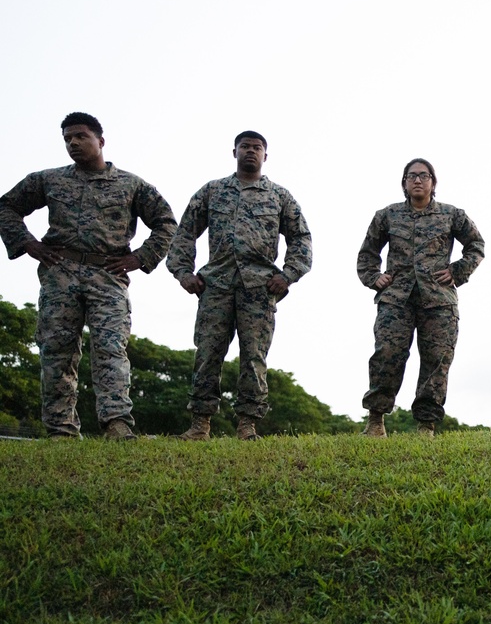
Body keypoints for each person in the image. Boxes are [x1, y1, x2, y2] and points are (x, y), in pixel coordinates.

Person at [0, 112, 177, 440]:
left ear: (101, 141)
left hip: (107, 275)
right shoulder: (49, 180)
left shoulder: (131, 184)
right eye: (67, 138)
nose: (73, 143)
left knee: (110, 348)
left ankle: (116, 424)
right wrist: (26, 243)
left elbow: (166, 222)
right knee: (57, 350)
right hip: (60, 273)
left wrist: (141, 257)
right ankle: (61, 429)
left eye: (80, 136)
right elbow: (6, 207)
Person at [167, 131, 312, 440]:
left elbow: (301, 238)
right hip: (216, 285)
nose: (250, 151)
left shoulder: (278, 196)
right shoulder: (213, 191)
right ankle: (199, 425)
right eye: (245, 146)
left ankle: (247, 425)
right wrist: (183, 272)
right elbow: (185, 232)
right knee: (207, 353)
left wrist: (288, 275)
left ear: (265, 156)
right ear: (234, 151)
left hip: (259, 289)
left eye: (257, 148)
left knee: (254, 357)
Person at [357, 158, 485, 438]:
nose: (418, 180)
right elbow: (367, 253)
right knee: (387, 356)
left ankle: (426, 424)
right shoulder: (387, 215)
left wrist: (458, 271)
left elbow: (476, 246)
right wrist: (373, 278)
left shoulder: (453, 215)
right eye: (412, 176)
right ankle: (376, 420)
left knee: (437, 360)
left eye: (424, 176)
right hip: (395, 300)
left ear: (433, 183)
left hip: (439, 301)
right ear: (404, 182)